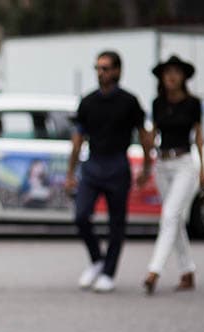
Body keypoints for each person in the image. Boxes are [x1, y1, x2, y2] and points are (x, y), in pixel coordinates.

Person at [65, 50, 152, 293]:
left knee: (117, 224)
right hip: (93, 164)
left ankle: (108, 272)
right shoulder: (88, 101)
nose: (100, 73)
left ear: (117, 71)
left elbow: (144, 136)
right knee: (81, 216)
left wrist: (146, 167)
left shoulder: (129, 101)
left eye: (105, 68)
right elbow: (77, 139)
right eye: (98, 68)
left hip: (117, 165)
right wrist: (71, 173)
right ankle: (96, 260)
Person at [142, 56, 204, 294]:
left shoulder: (192, 103)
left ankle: (154, 270)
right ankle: (187, 270)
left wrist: (202, 169)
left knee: (169, 216)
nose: (171, 76)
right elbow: (152, 135)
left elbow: (198, 136)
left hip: (184, 163)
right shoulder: (158, 103)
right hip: (163, 162)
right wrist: (148, 162)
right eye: (167, 72)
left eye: (176, 72)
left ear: (184, 77)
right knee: (175, 220)